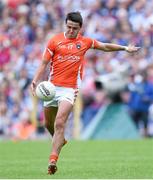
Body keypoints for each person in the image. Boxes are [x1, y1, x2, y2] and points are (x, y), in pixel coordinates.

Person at [31, 11, 140, 175]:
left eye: (74, 28)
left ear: (80, 28)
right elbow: (43, 64)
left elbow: (104, 46)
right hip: (51, 88)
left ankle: (52, 161)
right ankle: (61, 140)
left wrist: (125, 48)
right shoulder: (55, 41)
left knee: (60, 123)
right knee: (48, 124)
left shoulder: (85, 42)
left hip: (69, 89)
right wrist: (35, 80)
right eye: (68, 27)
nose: (70, 30)